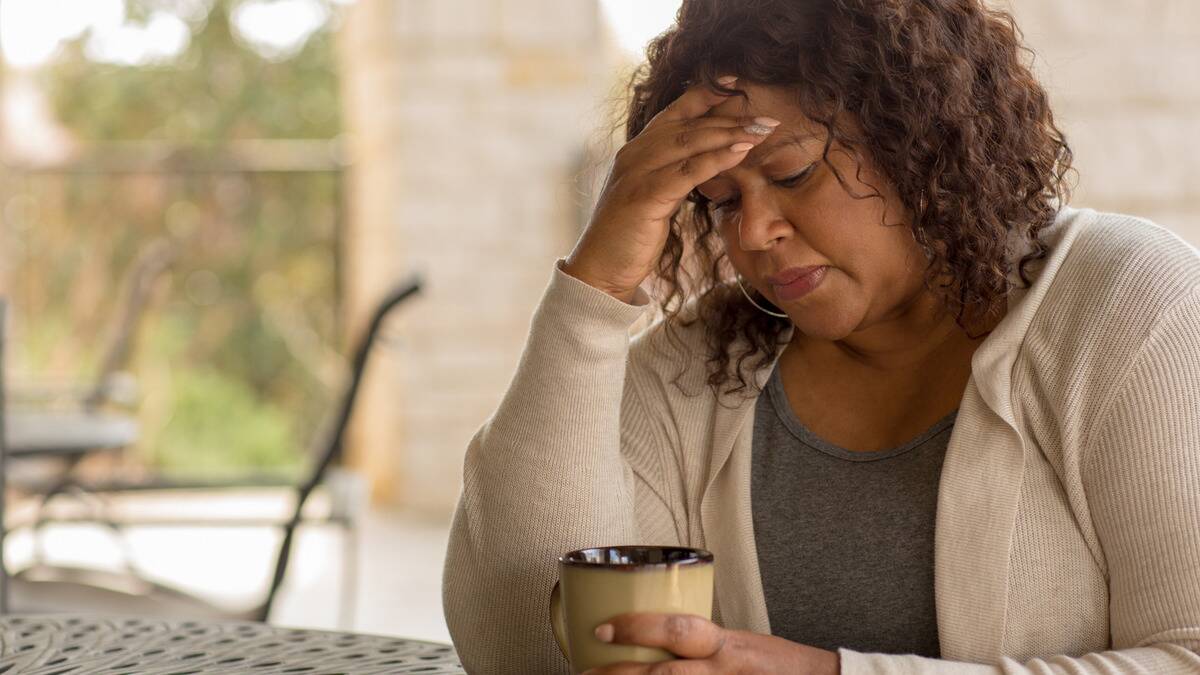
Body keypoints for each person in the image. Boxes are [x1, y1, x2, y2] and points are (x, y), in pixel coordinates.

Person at [442, 0, 1200, 672]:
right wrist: (595, 290)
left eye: (795, 173)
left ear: (917, 139)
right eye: (720, 201)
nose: (755, 233)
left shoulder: (1129, 309)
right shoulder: (700, 364)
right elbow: (523, 652)